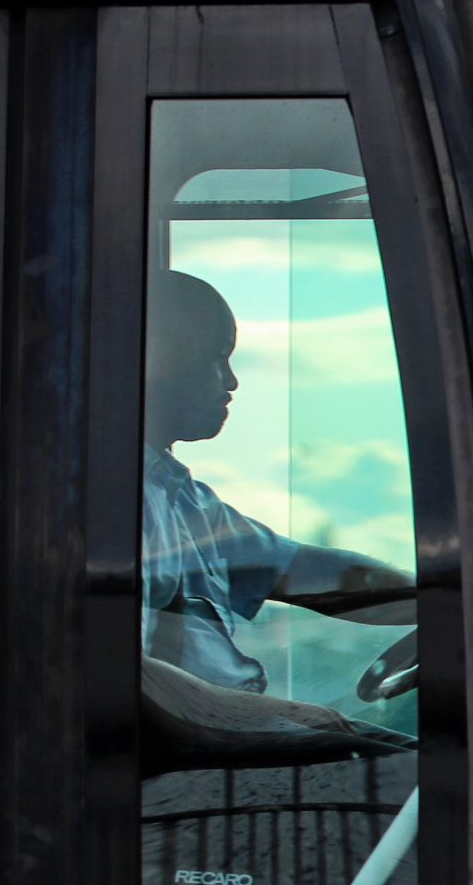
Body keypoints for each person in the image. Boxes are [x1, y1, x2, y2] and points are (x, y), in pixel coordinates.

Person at [142, 270, 411, 696]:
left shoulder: (180, 500)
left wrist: (437, 600)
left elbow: (306, 571)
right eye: (216, 357)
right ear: (153, 355)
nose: (231, 382)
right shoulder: (117, 502)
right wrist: (298, 723)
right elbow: (134, 688)